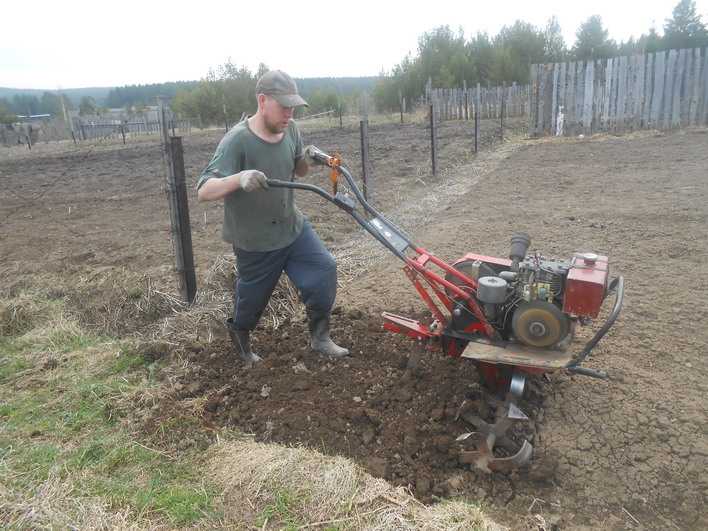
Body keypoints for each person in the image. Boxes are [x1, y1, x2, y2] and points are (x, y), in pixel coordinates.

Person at [196, 69, 349, 365]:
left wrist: (309, 158)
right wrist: (239, 178)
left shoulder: (290, 129)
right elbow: (203, 189)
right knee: (250, 304)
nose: (289, 114)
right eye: (283, 106)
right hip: (256, 241)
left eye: (293, 107)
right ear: (262, 100)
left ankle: (320, 338)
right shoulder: (237, 141)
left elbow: (298, 169)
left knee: (324, 270)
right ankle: (242, 345)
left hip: (292, 228)